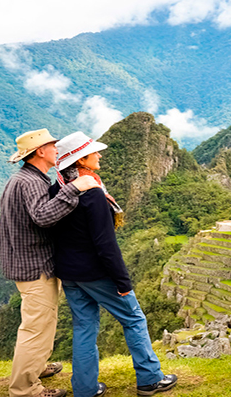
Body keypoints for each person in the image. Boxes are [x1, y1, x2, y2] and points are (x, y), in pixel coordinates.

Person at [48, 132, 177, 397]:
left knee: (84, 327)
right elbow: (105, 244)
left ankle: (84, 389)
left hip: (69, 273)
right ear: (81, 159)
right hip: (95, 272)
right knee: (133, 319)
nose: (100, 155)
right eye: (94, 152)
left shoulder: (57, 189)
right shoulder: (93, 195)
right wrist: (123, 282)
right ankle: (150, 379)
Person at [0, 129, 101, 397]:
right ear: (40, 151)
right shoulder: (31, 182)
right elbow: (43, 217)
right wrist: (76, 188)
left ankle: (35, 366)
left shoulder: (22, 179)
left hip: (25, 262)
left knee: (40, 323)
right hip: (35, 267)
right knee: (37, 327)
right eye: (53, 146)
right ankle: (25, 389)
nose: (57, 150)